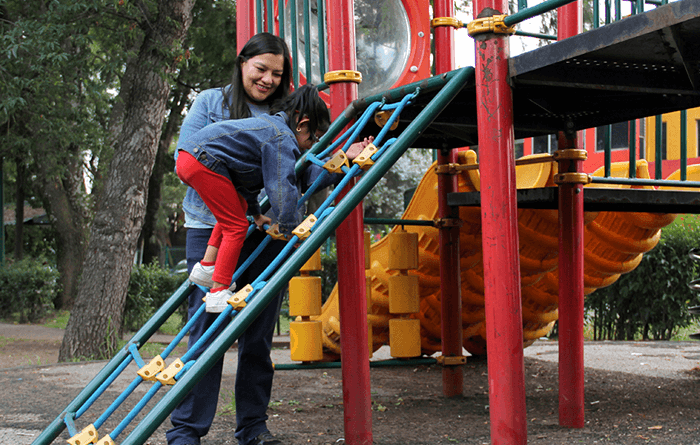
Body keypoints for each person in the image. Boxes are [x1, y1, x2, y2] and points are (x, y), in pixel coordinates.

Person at [167, 33, 292, 445]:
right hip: (211, 227)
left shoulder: (285, 112)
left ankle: (253, 427)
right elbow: (186, 155)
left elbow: (297, 167)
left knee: (257, 335)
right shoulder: (210, 102)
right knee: (205, 328)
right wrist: (236, 202)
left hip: (266, 230)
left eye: (277, 73)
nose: (268, 79)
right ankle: (186, 430)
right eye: (261, 69)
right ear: (242, 64)